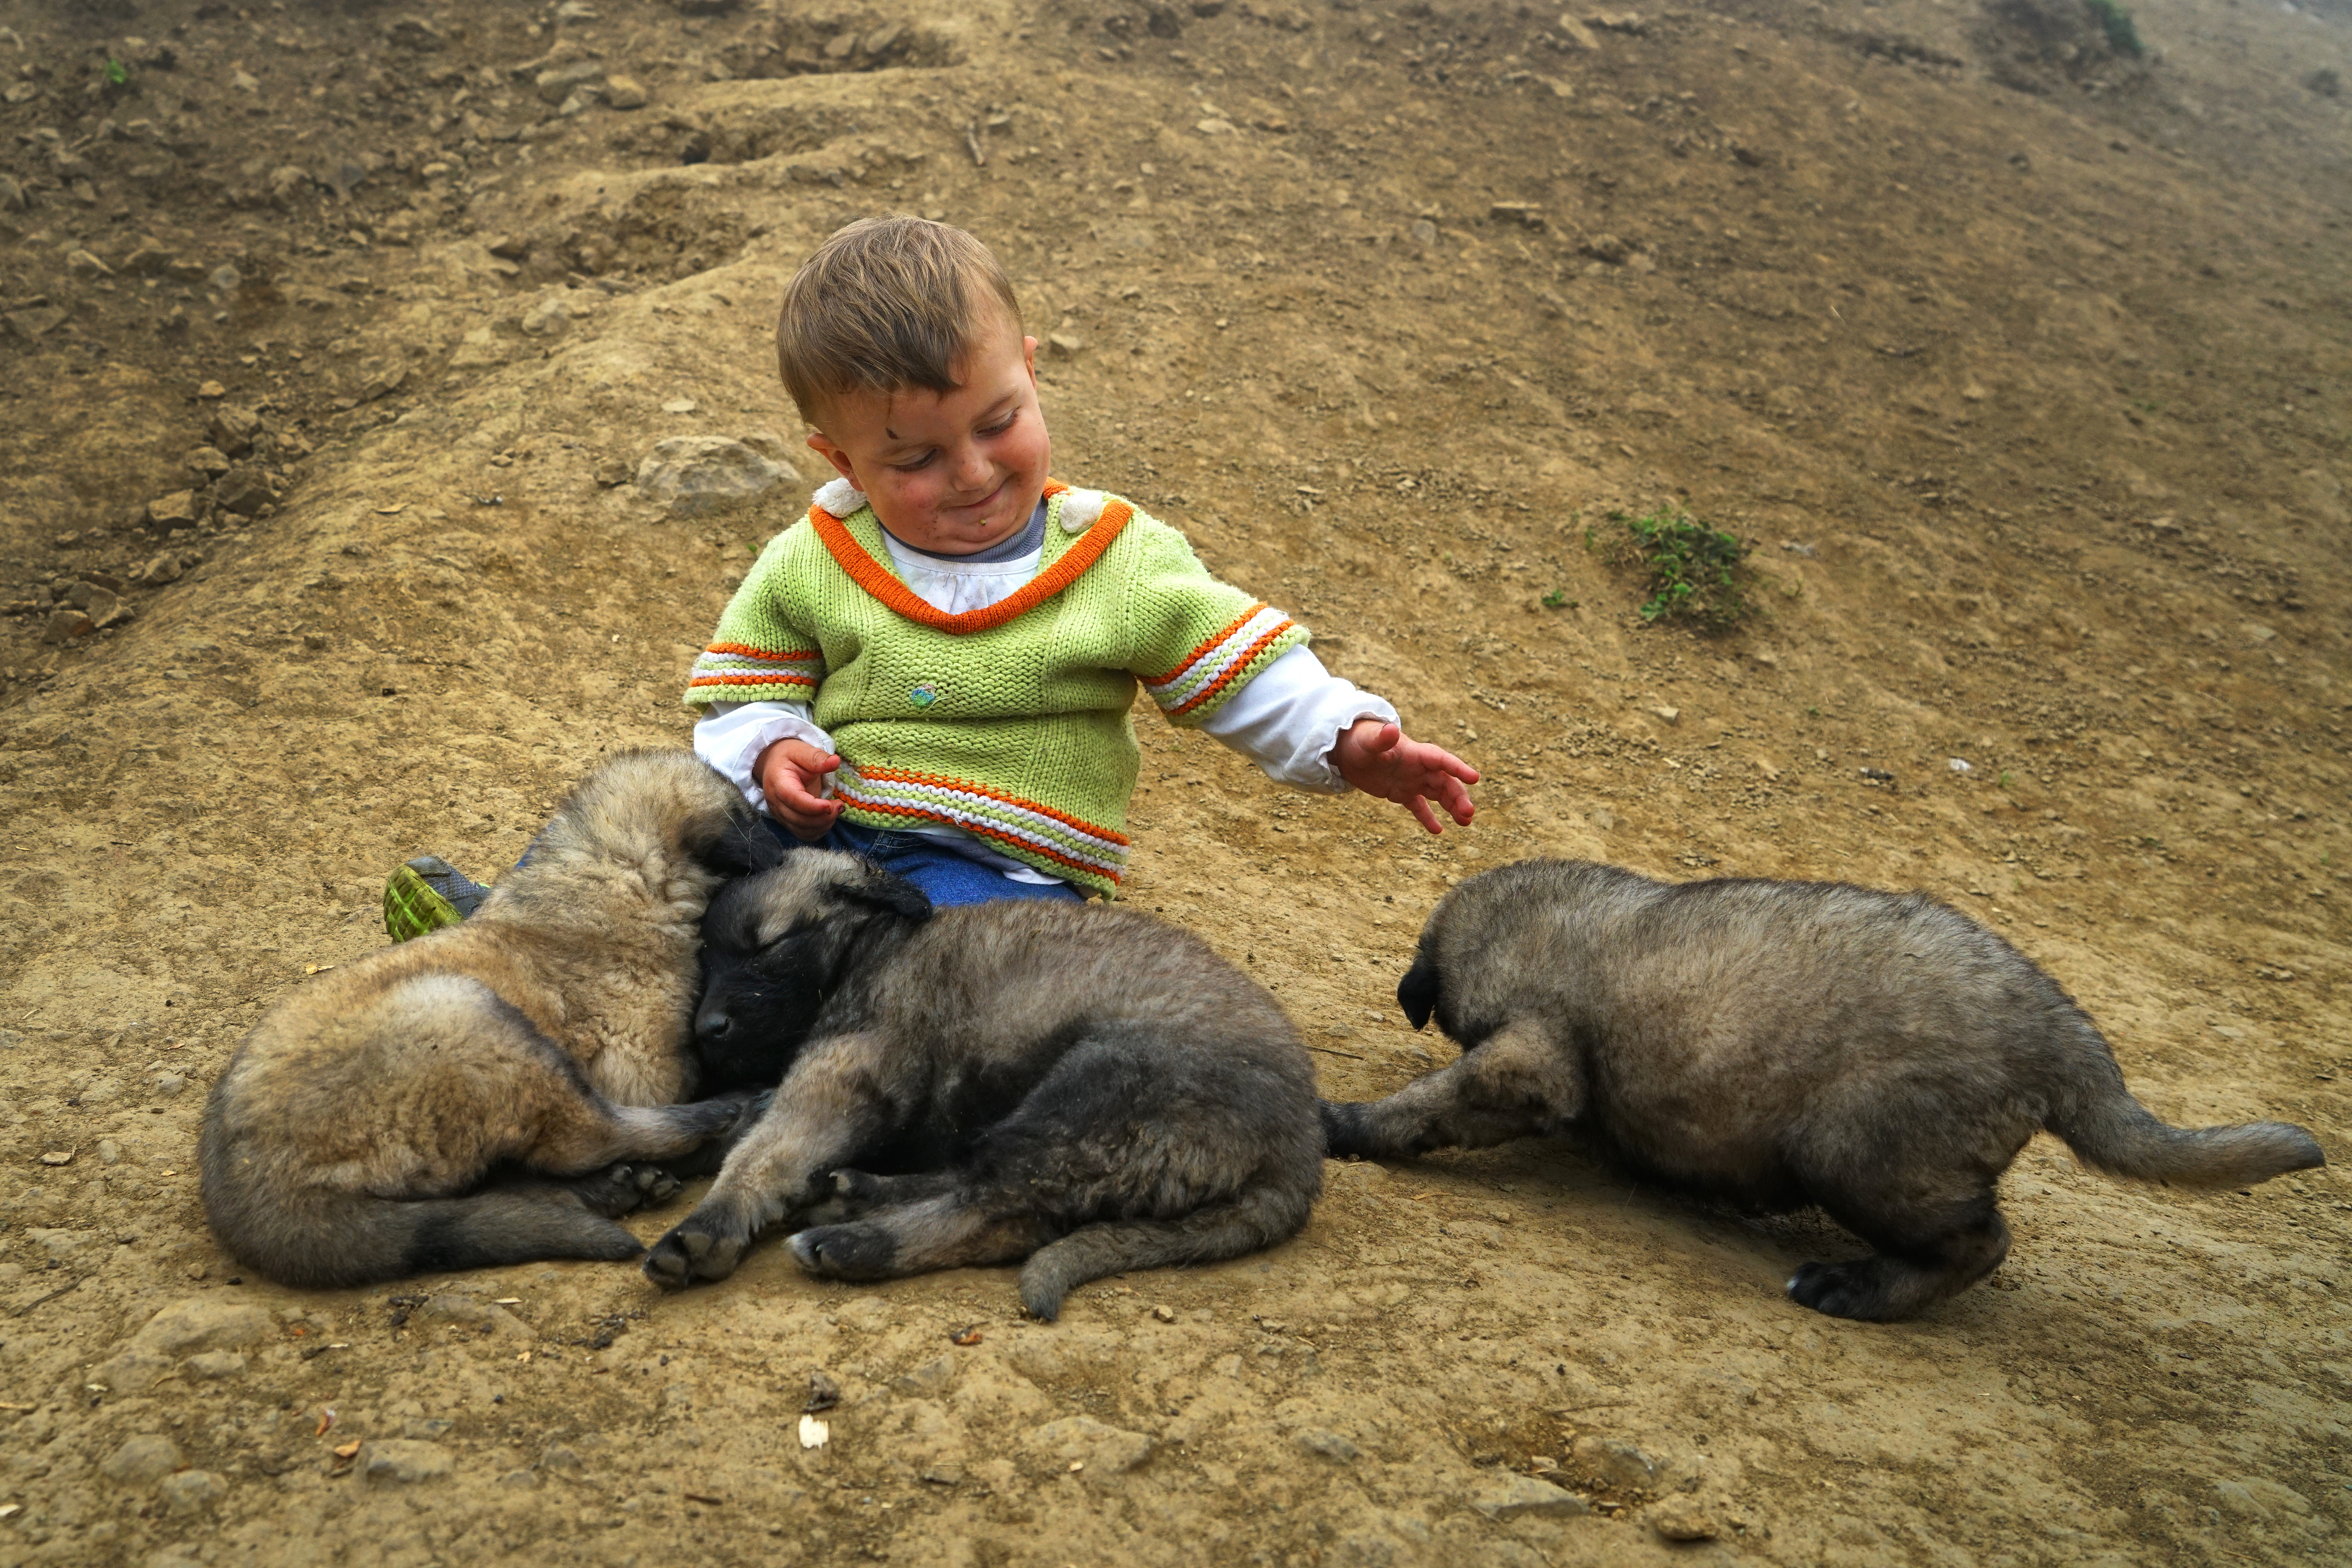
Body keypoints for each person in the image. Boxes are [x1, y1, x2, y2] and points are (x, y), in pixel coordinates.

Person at [383, 216, 1476, 936]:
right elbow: (739, 689)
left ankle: (749, 1073)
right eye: (913, 460)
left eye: (1001, 423)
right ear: (842, 460)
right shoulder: (820, 555)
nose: (973, 473)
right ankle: (514, 941)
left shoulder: (1112, 557)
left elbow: (1239, 670)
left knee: (919, 968)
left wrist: (1349, 739)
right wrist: (773, 746)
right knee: (646, 823)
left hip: (992, 875)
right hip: (819, 827)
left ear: (1031, 373)